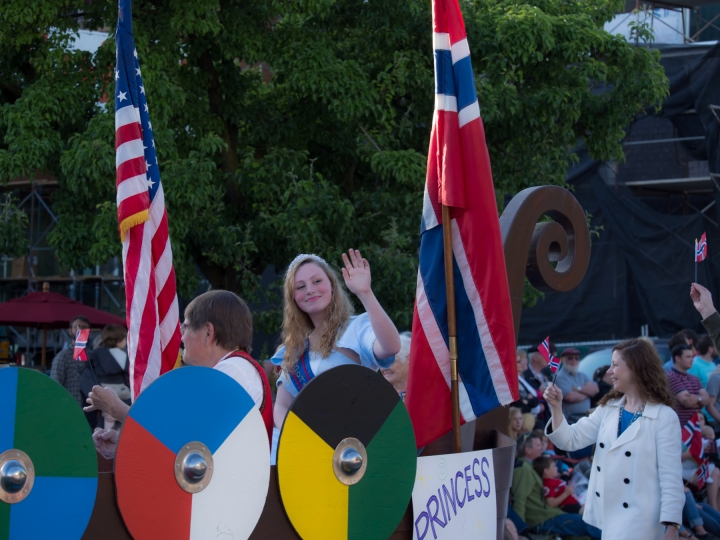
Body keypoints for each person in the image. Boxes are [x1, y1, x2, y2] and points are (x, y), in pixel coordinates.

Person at [88, 290, 274, 457]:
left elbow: (184, 437)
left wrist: (116, 409)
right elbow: (185, 445)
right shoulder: (233, 370)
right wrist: (123, 444)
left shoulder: (234, 370)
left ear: (208, 333)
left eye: (185, 327)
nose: (181, 337)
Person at [544, 338, 684, 540]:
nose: (609, 371)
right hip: (609, 520)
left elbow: (671, 478)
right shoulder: (608, 409)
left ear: (635, 369)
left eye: (615, 365)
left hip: (643, 524)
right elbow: (570, 440)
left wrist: (672, 527)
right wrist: (556, 407)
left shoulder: (664, 417)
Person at [271, 250, 400, 427]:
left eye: (317, 281)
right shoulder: (293, 349)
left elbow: (391, 347)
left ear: (332, 285)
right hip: (316, 449)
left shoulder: (356, 328)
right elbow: (282, 405)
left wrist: (365, 293)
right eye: (300, 287)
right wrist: (299, 439)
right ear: (293, 298)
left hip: (360, 443)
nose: (310, 290)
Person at [510, 433, 601, 538]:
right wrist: (522, 531)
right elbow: (519, 500)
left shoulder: (529, 467)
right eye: (538, 445)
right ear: (528, 450)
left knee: (589, 521)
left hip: (550, 514)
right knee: (588, 523)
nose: (542, 448)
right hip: (542, 519)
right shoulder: (522, 469)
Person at [50, 315, 91, 407]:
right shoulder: (62, 357)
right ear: (70, 331)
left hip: (90, 408)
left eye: (84, 327)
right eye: (77, 327)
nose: (80, 330)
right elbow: (55, 385)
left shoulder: (92, 356)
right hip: (70, 406)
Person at [668, 343, 710, 427]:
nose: (692, 360)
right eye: (688, 357)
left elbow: (707, 400)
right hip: (682, 430)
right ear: (677, 358)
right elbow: (687, 402)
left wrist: (696, 398)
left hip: (697, 429)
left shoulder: (694, 378)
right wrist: (700, 399)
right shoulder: (671, 377)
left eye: (692, 356)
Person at [554, 347, 598, 424]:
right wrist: (588, 393)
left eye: (576, 358)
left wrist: (578, 389)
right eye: (570, 358)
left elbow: (595, 390)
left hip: (587, 416)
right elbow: (569, 397)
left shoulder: (582, 375)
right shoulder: (559, 377)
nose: (574, 361)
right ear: (563, 360)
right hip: (570, 419)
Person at [381, 331, 410, 400]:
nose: (384, 368)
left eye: (390, 360)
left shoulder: (421, 398)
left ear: (409, 360)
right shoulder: (382, 400)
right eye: (381, 362)